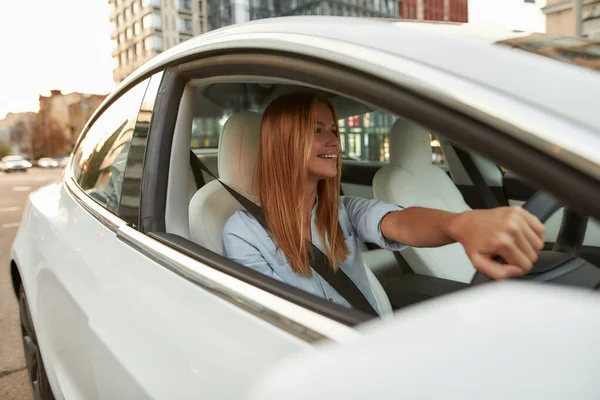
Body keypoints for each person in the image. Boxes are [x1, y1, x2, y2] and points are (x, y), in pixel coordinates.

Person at [222, 92, 545, 315]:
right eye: (317, 130)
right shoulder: (243, 232)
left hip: (372, 339)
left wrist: (459, 224)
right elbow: (269, 320)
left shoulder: (342, 210)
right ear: (284, 141)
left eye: (334, 129)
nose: (335, 140)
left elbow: (401, 222)